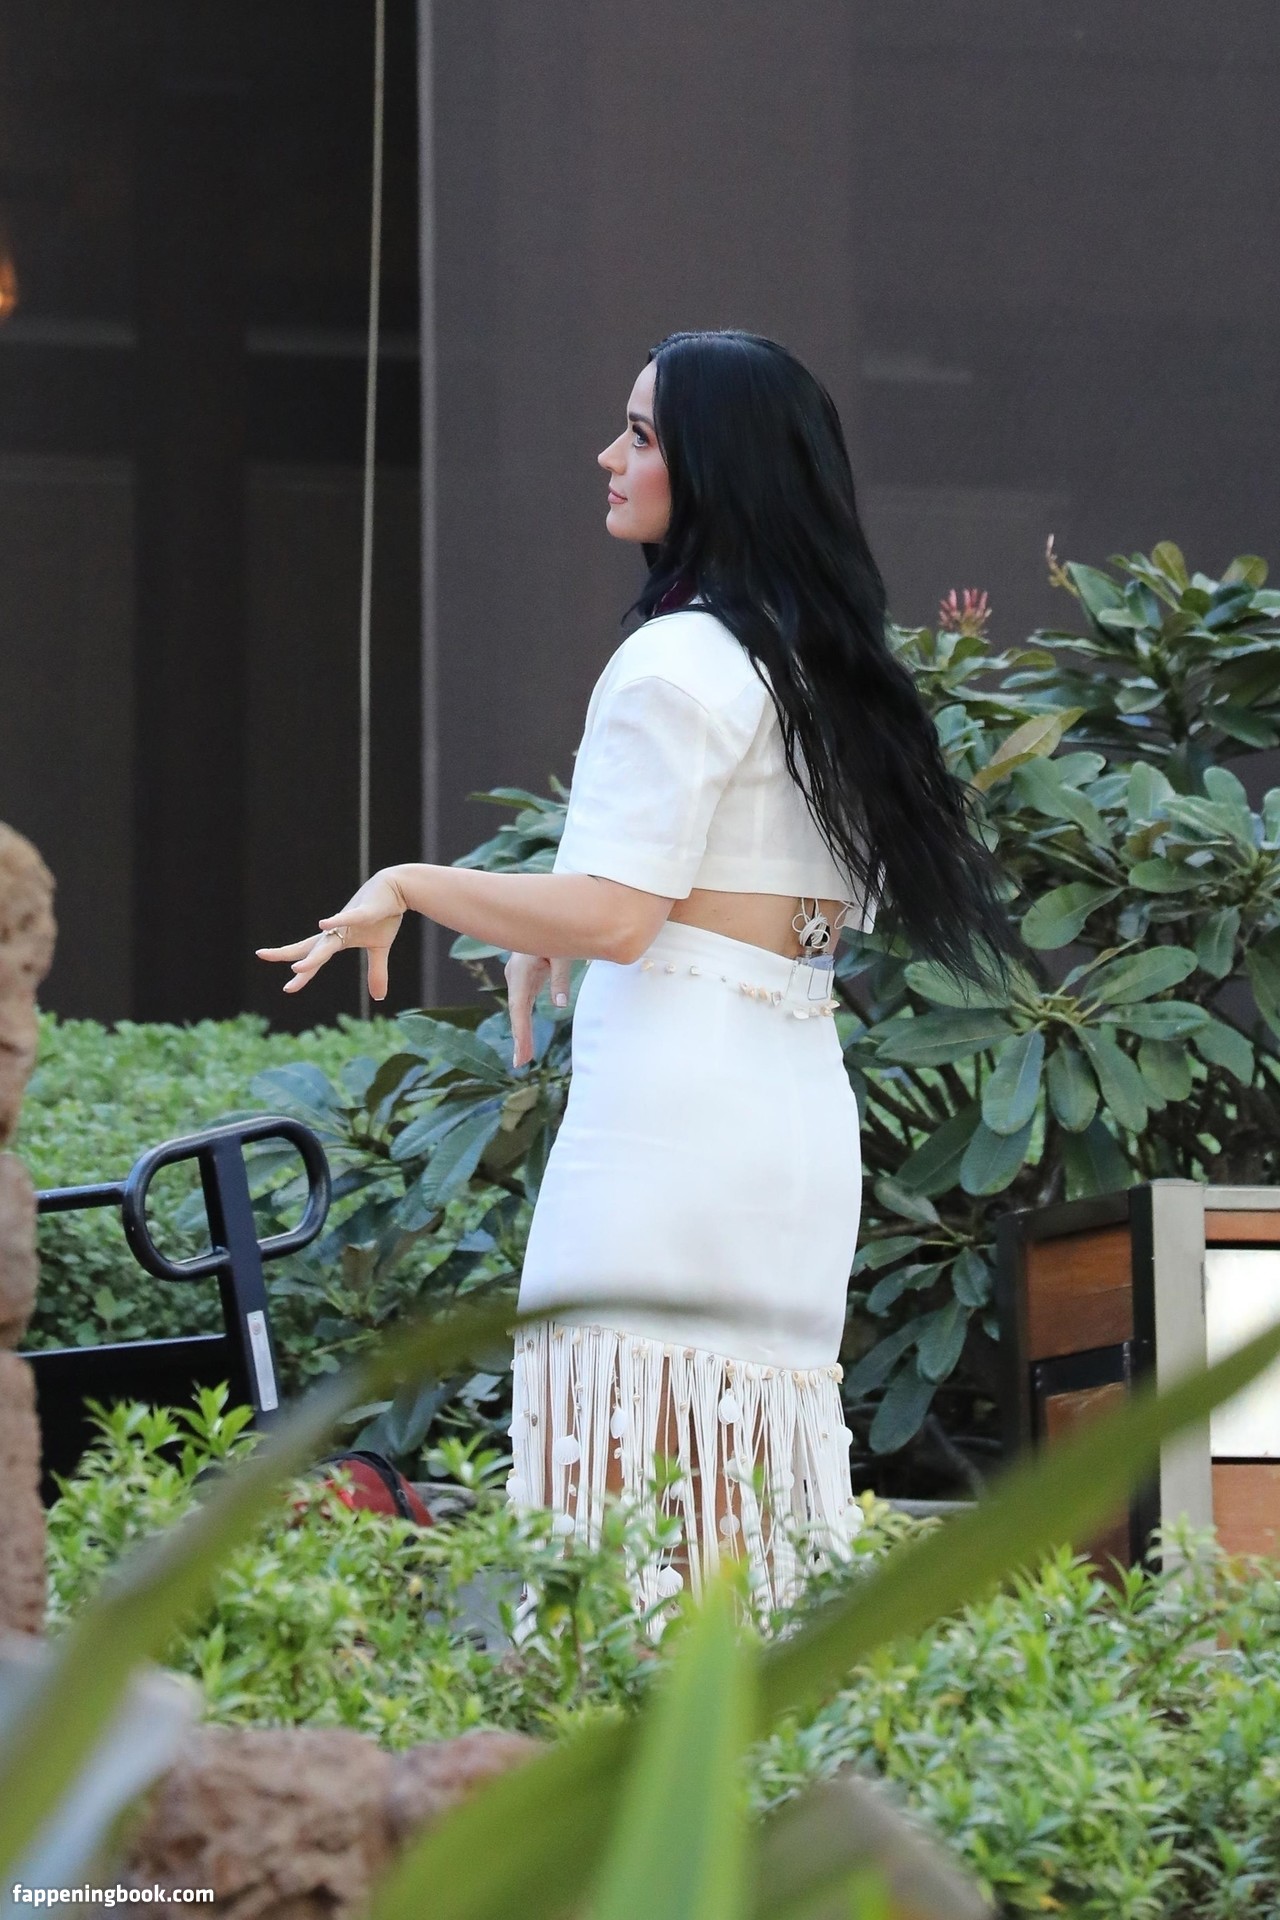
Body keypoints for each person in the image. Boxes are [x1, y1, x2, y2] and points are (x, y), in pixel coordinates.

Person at [258, 328, 1016, 1617]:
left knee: (614, 1508)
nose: (609, 456)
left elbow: (618, 914)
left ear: (716, 468)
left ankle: (622, 1726)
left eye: (643, 435)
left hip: (672, 1119)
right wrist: (547, 922)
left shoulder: (675, 661)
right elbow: (746, 900)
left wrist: (410, 884)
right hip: (792, 1110)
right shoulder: (826, 671)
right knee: (750, 1514)